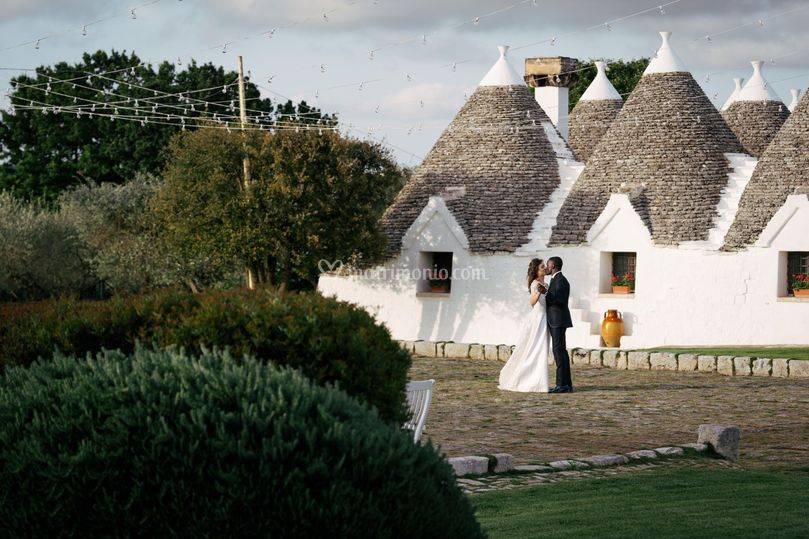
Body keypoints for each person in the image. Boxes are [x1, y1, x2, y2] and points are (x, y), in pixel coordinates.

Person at [498, 258, 550, 393]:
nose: (544, 268)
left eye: (544, 266)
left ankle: (539, 381)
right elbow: (531, 302)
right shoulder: (535, 284)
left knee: (542, 349)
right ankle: (528, 380)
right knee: (534, 348)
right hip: (538, 319)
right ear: (536, 271)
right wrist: (539, 292)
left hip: (545, 318)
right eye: (542, 267)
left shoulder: (546, 283)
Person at [544, 256, 573, 393]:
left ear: (553, 265)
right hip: (556, 320)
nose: (546, 267)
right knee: (561, 351)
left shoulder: (560, 280)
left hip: (558, 321)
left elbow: (559, 300)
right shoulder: (556, 280)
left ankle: (562, 385)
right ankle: (566, 384)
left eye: (548, 265)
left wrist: (546, 294)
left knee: (558, 352)